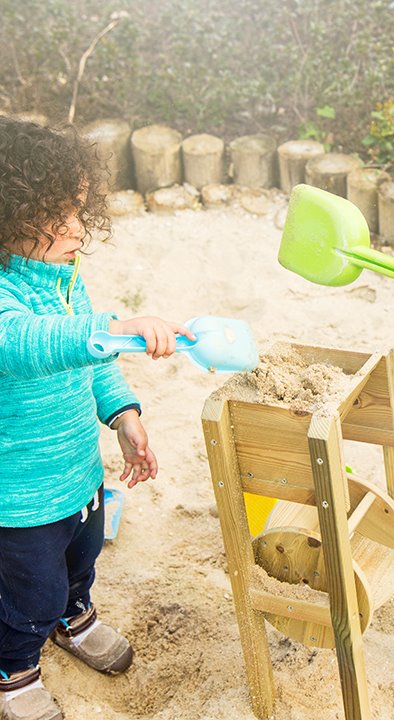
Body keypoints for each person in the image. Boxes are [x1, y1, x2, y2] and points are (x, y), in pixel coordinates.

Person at [0, 118, 194, 720]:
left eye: (81, 213)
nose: (79, 231)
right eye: (59, 217)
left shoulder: (64, 280)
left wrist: (125, 415)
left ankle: (73, 616)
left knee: (79, 559)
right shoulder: (9, 299)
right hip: (20, 496)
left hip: (78, 474)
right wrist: (109, 331)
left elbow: (92, 359)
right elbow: (31, 344)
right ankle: (14, 669)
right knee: (26, 588)